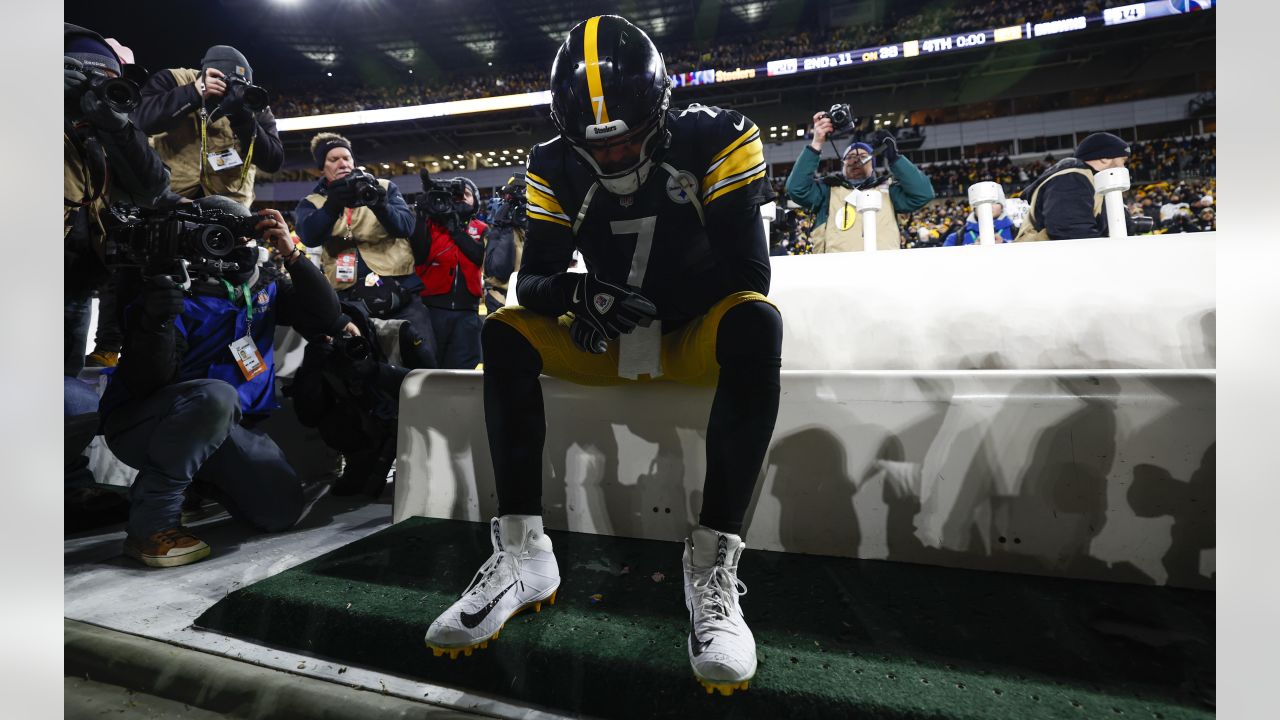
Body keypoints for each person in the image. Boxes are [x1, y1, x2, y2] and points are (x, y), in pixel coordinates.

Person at [423, 15, 782, 697]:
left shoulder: (721, 135)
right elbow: (533, 283)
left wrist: (638, 301)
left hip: (692, 331)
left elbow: (748, 275)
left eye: (630, 141)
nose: (614, 159)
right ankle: (524, 554)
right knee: (504, 330)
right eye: (598, 148)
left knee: (757, 324)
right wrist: (581, 294)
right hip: (613, 333)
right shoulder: (551, 160)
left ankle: (711, 564)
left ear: (663, 108)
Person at [100, 197, 348, 568]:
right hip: (148, 423)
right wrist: (157, 321)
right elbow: (147, 381)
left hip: (227, 427)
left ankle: (202, 482)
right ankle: (151, 526)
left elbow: (327, 317)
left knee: (279, 512)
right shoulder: (169, 286)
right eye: (218, 236)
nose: (230, 244)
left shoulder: (263, 283)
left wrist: (292, 253)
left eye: (240, 235)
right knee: (215, 395)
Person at [64, 23, 170, 378]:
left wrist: (117, 127)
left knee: (63, 390)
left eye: (108, 80)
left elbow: (152, 187)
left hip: (76, 282)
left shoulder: (103, 131)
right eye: (85, 76)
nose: (96, 87)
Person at [294, 132, 438, 369]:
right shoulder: (312, 201)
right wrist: (332, 205)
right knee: (359, 368)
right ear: (322, 168)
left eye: (347, 158)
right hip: (349, 299)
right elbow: (309, 237)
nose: (342, 163)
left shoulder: (383, 187)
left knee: (422, 361)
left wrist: (380, 205)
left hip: (401, 292)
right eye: (333, 159)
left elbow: (406, 226)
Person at [133, 45, 284, 207]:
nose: (233, 91)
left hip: (230, 205)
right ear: (208, 74)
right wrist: (194, 92)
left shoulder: (253, 102)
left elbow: (273, 162)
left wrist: (243, 119)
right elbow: (139, 121)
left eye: (241, 84)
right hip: (171, 199)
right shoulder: (174, 80)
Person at [785, 113, 934, 252]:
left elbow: (923, 194)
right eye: (849, 157)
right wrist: (817, 142)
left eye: (863, 156)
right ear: (842, 166)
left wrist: (895, 158)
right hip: (836, 273)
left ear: (873, 166)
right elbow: (796, 189)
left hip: (883, 272)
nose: (856, 159)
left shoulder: (889, 191)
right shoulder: (827, 191)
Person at [413, 176, 488, 369]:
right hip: (431, 309)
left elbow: (479, 257)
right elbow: (418, 256)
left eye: (467, 194)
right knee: (429, 365)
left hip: (467, 312)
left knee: (462, 369)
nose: (461, 197)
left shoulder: (482, 229)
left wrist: (456, 231)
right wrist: (421, 216)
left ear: (476, 201)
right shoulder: (430, 225)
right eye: (456, 195)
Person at [1014, 132, 1131, 242]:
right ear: (1104, 158)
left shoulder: (1090, 180)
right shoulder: (1071, 178)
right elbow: (1071, 229)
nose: (1124, 167)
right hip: (1047, 259)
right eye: (1123, 161)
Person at [482, 175, 529, 315]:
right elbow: (498, 270)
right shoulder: (499, 228)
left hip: (527, 298)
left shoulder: (531, 229)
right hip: (502, 298)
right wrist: (504, 226)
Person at [942, 202, 1016, 245]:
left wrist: (1004, 245)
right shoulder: (955, 237)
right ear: (974, 207)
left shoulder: (1018, 232)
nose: (988, 206)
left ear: (1002, 206)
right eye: (981, 202)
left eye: (994, 202)